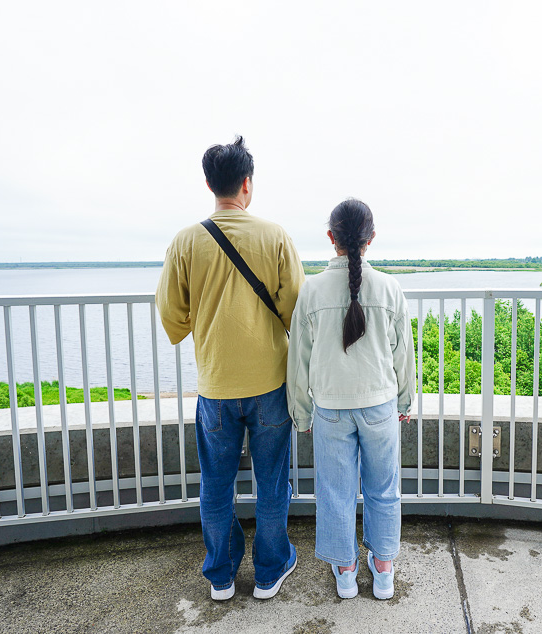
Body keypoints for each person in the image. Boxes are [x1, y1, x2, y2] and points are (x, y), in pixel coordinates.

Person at [156, 136, 305, 601]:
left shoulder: (185, 241)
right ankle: (269, 571)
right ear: (248, 184)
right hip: (269, 383)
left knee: (216, 485)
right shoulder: (275, 235)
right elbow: (294, 305)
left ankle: (220, 575)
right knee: (272, 482)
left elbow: (170, 315)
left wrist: (198, 321)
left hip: (216, 386)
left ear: (209, 184)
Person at [287, 198, 416, 600]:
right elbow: (404, 356)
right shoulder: (390, 289)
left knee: (335, 491)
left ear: (331, 238)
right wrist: (404, 403)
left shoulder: (311, 291)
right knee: (383, 488)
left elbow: (299, 361)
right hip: (379, 405)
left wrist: (301, 413)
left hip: (330, 409)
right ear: (371, 239)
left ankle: (345, 571)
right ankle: (383, 569)